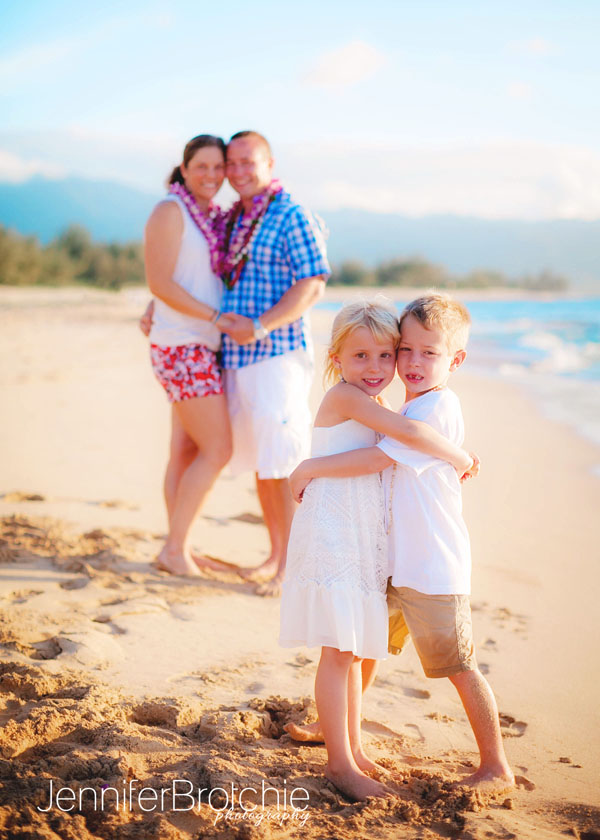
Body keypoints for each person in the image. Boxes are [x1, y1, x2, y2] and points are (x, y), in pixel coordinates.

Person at [289, 293, 514, 792]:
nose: (406, 363)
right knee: (356, 648)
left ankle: (495, 764)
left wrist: (458, 455)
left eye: (421, 353)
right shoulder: (377, 402)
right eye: (404, 350)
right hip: (379, 554)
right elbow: (394, 445)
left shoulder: (429, 406)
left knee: (454, 663)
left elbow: (390, 452)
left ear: (454, 360)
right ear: (338, 358)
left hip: (428, 563)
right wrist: (461, 456)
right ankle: (341, 741)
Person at [217, 130, 330, 596]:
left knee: (285, 463)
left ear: (269, 163)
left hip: (276, 353)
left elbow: (313, 282)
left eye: (249, 162)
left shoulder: (290, 213)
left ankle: (294, 568)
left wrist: (260, 325)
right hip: (238, 358)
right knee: (264, 461)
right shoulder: (236, 219)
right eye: (232, 163)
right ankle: (275, 554)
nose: (239, 171)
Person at [143, 134, 234, 576]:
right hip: (182, 345)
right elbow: (160, 282)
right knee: (217, 449)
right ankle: (175, 549)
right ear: (184, 168)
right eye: (202, 167)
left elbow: (185, 276)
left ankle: (177, 544)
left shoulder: (210, 217)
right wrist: (216, 317)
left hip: (198, 343)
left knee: (184, 449)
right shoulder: (170, 210)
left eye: (219, 168)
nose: (212, 176)